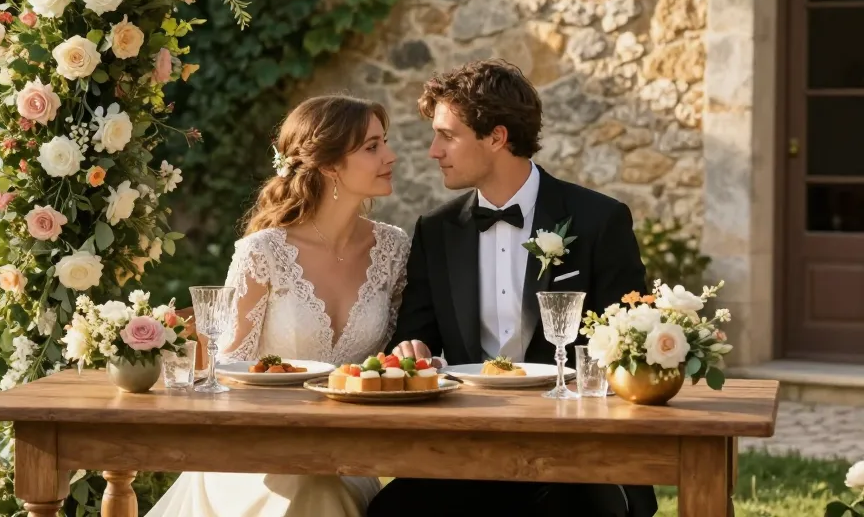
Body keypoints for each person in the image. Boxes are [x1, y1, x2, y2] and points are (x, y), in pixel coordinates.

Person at [369, 60, 657, 517]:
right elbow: (415, 338)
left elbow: (630, 342)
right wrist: (414, 350)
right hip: (467, 450)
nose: (432, 150)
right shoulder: (437, 230)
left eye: (447, 135)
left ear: (497, 137)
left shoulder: (599, 220)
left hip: (576, 452)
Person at [147, 94, 408, 517]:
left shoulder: (392, 248)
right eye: (372, 147)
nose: (390, 156)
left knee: (327, 485)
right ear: (328, 165)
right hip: (255, 451)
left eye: (385, 142)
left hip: (347, 454)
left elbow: (394, 358)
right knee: (315, 490)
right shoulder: (263, 252)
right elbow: (227, 370)